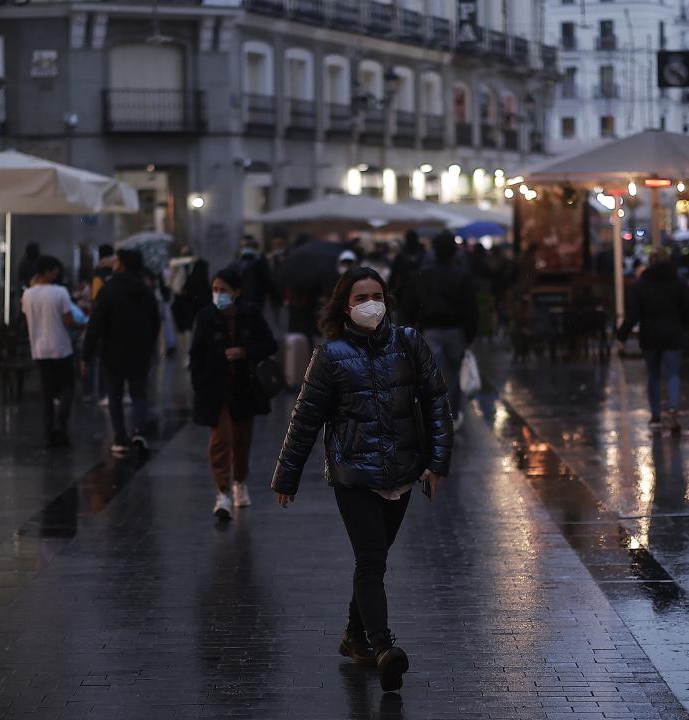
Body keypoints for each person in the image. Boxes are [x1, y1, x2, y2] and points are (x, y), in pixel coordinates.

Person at [272, 266, 453, 694]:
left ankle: (354, 635)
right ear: (344, 306)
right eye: (359, 298)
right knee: (370, 559)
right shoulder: (330, 356)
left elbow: (436, 402)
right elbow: (305, 420)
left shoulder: (409, 343)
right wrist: (287, 474)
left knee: (376, 558)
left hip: (403, 471)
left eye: (377, 295)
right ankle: (383, 646)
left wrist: (437, 463)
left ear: (387, 300)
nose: (370, 304)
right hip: (353, 474)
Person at [191, 267, 277, 518]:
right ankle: (223, 491)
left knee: (241, 439)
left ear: (237, 292)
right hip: (216, 389)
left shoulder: (250, 314)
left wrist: (244, 352)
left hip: (244, 387)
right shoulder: (206, 317)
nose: (218, 295)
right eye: (215, 290)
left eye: (223, 290)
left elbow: (269, 344)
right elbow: (197, 354)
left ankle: (239, 481)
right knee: (220, 440)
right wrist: (200, 383)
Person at [84, 249, 161, 456]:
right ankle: (139, 433)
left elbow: (96, 323)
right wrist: (150, 345)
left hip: (112, 352)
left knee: (115, 397)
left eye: (117, 261)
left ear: (123, 265)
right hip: (140, 352)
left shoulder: (109, 290)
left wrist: (87, 354)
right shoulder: (146, 290)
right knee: (139, 394)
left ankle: (120, 439)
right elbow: (155, 321)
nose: (114, 264)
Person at [405, 231, 477, 427]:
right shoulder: (461, 276)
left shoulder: (423, 275)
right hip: (455, 331)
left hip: (430, 330)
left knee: (432, 375)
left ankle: (434, 415)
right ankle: (451, 415)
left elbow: (411, 303)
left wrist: (410, 326)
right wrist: (470, 336)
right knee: (453, 376)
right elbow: (470, 308)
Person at [616, 250, 689, 433]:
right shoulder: (679, 283)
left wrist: (622, 335)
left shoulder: (640, 285)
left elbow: (633, 315)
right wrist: (686, 327)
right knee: (673, 374)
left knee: (653, 375)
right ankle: (673, 408)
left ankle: (656, 415)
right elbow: (688, 309)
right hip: (673, 334)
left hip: (650, 335)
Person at [21, 256, 83, 448]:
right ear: (47, 272)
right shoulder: (60, 292)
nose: (57, 274)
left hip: (39, 349)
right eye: (55, 271)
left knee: (47, 393)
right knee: (68, 387)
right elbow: (69, 322)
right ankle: (61, 425)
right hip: (61, 348)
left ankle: (48, 432)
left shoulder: (28, 295)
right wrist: (86, 325)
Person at [233, 236, 272, 310]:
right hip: (256, 297)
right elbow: (267, 280)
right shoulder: (260, 262)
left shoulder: (235, 263)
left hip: (241, 297)